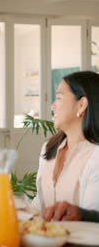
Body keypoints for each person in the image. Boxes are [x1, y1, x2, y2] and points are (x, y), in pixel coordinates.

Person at [31, 71, 99, 215]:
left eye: (59, 98)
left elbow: (93, 219)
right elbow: (40, 203)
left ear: (81, 105)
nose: (52, 106)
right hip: (44, 236)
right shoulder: (48, 148)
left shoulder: (95, 156)